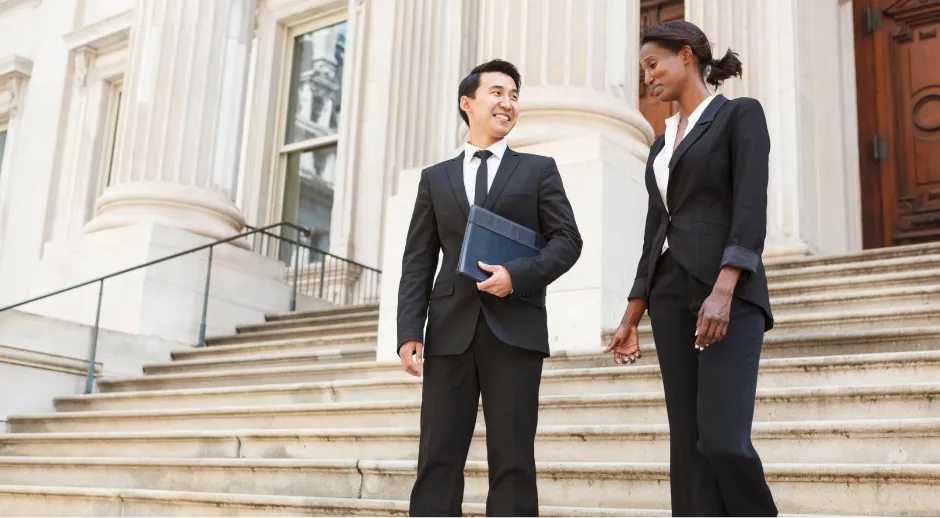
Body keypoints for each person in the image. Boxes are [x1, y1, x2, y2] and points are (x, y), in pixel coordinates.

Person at [604, 20, 778, 518]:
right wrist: (632, 313)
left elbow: (749, 206)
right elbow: (654, 228)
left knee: (723, 440)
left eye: (652, 64)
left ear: (685, 56)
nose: (647, 78)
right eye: (642, 69)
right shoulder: (660, 145)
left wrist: (726, 286)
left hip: (727, 292)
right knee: (689, 446)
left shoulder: (739, 116)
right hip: (670, 293)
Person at [396, 59, 582, 517]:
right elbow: (419, 259)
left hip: (515, 329)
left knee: (513, 459)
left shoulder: (538, 170)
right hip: (449, 331)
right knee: (437, 457)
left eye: (515, 95)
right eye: (497, 92)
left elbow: (568, 241)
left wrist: (517, 276)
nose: (508, 103)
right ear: (468, 103)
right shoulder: (434, 178)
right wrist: (408, 331)